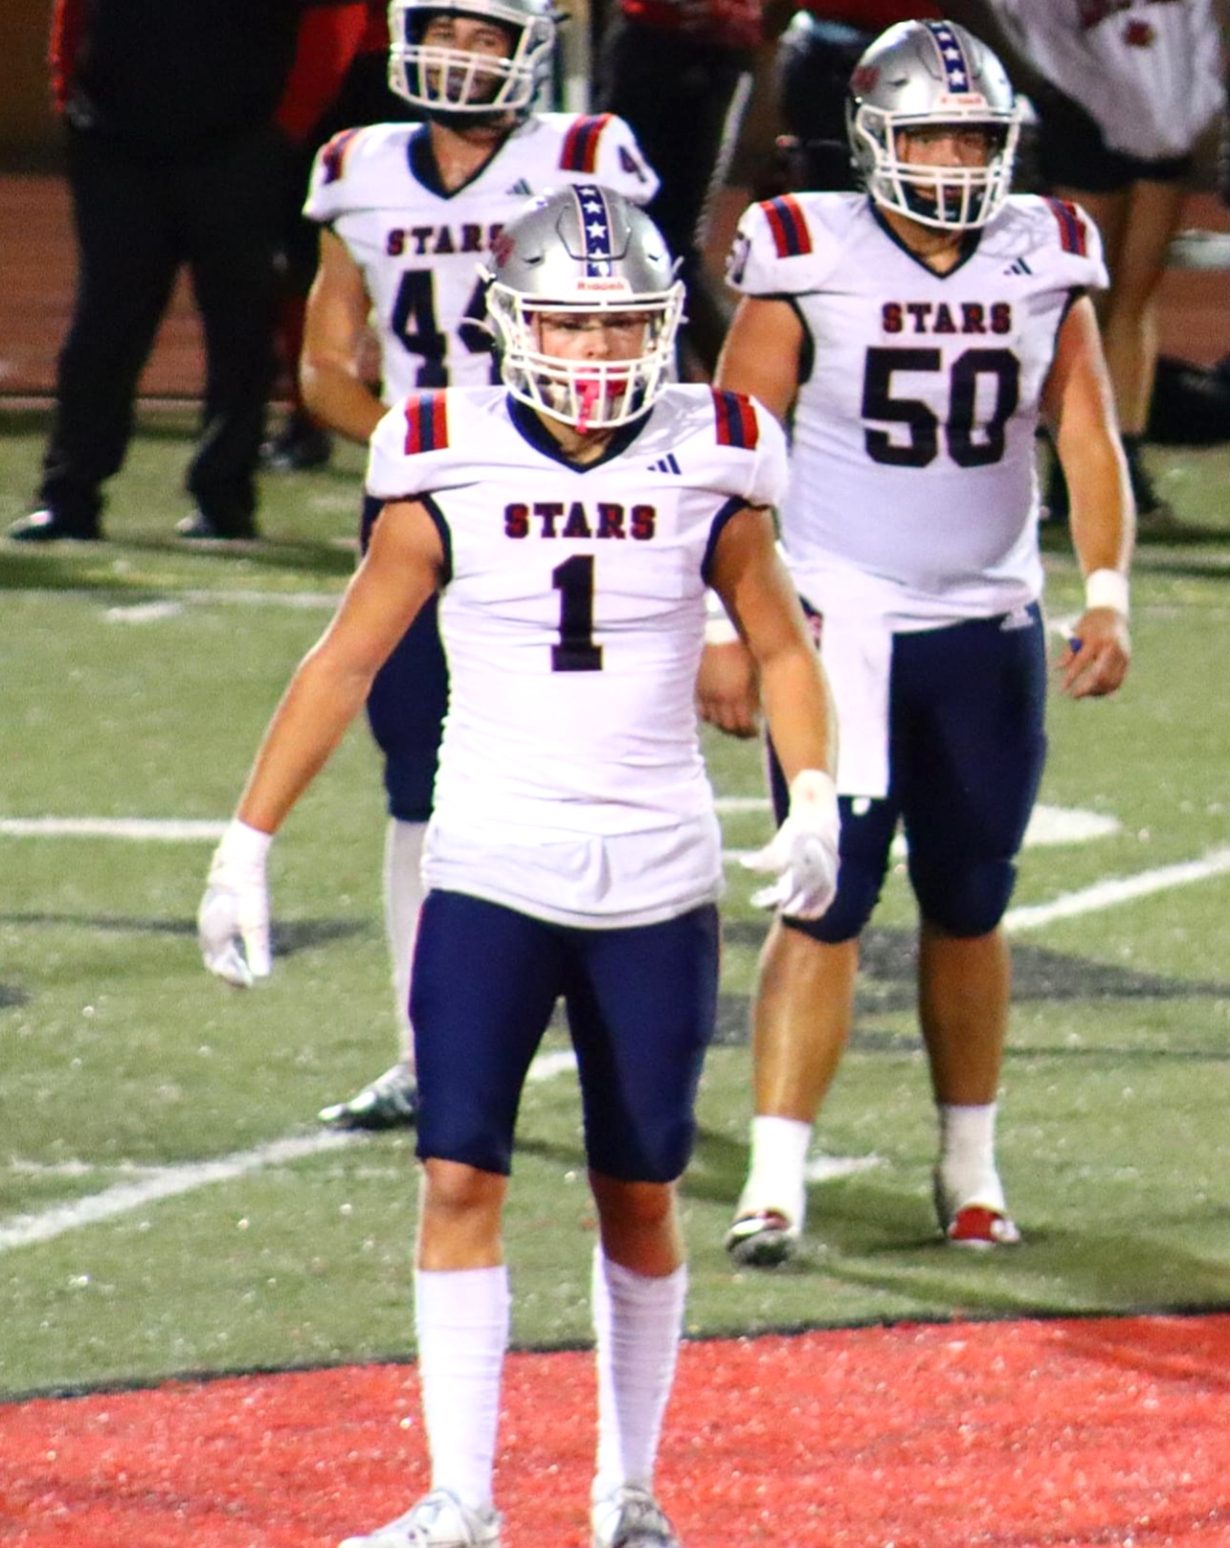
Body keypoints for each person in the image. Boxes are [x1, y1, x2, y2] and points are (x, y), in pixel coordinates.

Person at [196, 186, 839, 1548]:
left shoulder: (715, 453)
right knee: (455, 1174)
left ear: (661, 329)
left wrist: (817, 791)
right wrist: (247, 839)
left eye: (620, 327)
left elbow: (781, 643)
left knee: (639, 1190)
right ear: (511, 325)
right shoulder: (444, 454)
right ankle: (461, 1497)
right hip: (490, 864)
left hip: (654, 875)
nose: (597, 353)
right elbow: (345, 660)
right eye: (569, 324)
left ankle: (628, 1490)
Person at [698, 19, 1134, 1267]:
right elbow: (731, 449)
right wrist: (726, 625)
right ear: (873, 137)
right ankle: (775, 1179)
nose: (953, 160)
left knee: (972, 900)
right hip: (843, 624)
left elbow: (1086, 431)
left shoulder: (1047, 248)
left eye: (973, 139)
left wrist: (1108, 591)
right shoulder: (806, 247)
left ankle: (970, 1170)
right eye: (931, 135)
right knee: (824, 897)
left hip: (988, 625)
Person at [298, 0, 660, 1131]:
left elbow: (644, 331)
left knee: (600, 764)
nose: (459, 56)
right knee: (418, 780)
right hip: (428, 515)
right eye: (445, 30)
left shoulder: (584, 156)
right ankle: (423, 1053)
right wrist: (432, 461)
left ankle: (621, 1040)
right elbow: (324, 366)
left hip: (567, 508)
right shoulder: (358, 167)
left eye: (485, 37)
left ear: (528, 48)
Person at [7, 0, 356, 546]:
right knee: (105, 323)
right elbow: (73, 10)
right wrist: (69, 94)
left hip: (239, 144)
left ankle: (224, 498)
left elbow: (331, 22)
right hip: (116, 140)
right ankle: (69, 494)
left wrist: (286, 122)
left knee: (239, 327)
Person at [982, 0, 1225, 531]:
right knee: (1085, 301)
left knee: (1135, 298)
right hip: (1082, 106)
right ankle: (1070, 472)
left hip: (1163, 98)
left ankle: (1127, 469)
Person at [593, 0, 765, 375]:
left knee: (675, 249)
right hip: (644, 40)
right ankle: (682, 377)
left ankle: (741, 382)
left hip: (712, 49)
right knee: (622, 232)